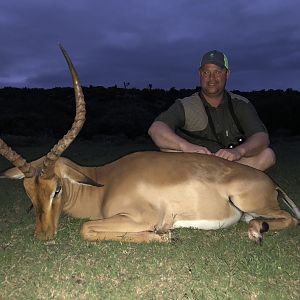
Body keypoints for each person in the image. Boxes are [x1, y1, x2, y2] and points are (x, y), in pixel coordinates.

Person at [148, 50, 275, 171]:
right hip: (194, 167)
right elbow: (156, 129)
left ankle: (216, 187)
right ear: (200, 74)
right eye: (206, 72)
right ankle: (222, 189)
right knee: (168, 149)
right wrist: (186, 146)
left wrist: (238, 151)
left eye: (218, 72)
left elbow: (261, 137)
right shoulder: (185, 104)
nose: (211, 78)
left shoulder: (241, 104)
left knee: (267, 155)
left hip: (230, 168)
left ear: (227, 74)